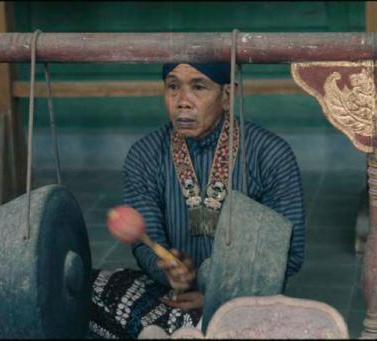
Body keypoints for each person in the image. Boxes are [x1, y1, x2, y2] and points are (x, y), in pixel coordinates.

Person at [88, 63, 305, 339]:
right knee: (91, 288)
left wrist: (216, 295)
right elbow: (147, 242)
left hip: (242, 294)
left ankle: (185, 329)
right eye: (173, 86)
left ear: (228, 95)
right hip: (171, 295)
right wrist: (166, 270)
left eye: (198, 87)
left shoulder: (271, 154)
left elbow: (290, 255)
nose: (182, 102)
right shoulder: (144, 155)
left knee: (244, 319)